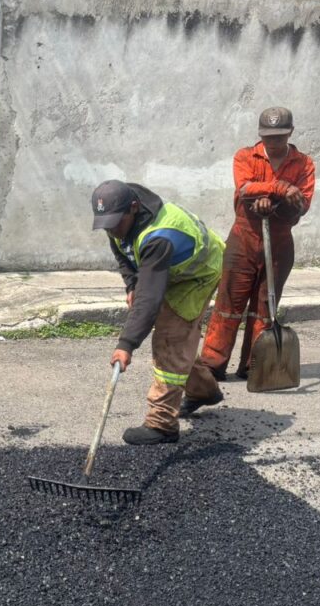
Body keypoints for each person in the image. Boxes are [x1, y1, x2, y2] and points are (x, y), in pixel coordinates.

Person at [191, 107, 315, 398]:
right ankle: (213, 363)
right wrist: (279, 188)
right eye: (267, 136)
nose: (272, 142)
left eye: (279, 136)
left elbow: (304, 203)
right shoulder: (245, 156)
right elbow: (245, 187)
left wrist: (280, 202)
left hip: (280, 242)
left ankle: (254, 364)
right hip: (243, 239)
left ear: (290, 133)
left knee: (265, 306)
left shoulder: (305, 164)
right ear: (261, 135)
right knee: (228, 304)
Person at [91, 180, 225, 445]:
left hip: (197, 273)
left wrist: (126, 345)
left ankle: (162, 423)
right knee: (179, 340)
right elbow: (123, 253)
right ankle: (203, 391)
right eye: (107, 224)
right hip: (166, 268)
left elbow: (149, 300)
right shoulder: (117, 216)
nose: (113, 230)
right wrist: (131, 284)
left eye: (117, 223)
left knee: (170, 337)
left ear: (134, 208)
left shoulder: (159, 237)